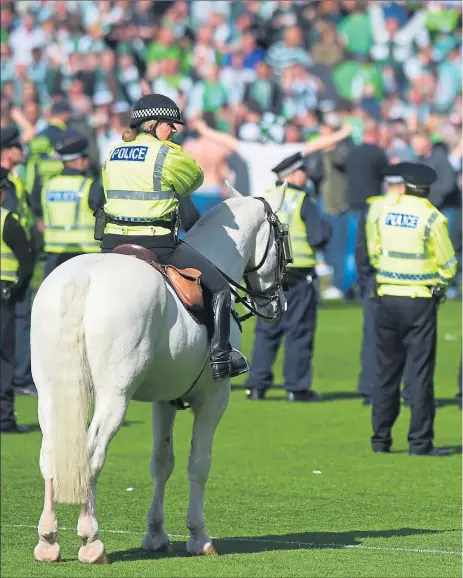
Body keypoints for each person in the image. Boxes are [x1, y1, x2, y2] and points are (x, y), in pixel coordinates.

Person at [98, 93, 246, 382]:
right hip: (157, 243)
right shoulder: (166, 153)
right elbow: (193, 180)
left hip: (112, 242)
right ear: (152, 123)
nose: (174, 130)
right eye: (170, 124)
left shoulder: (113, 151)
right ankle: (220, 358)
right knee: (220, 289)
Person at [367, 162, 457, 456]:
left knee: (385, 372)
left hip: (387, 297)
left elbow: (375, 251)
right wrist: (441, 283)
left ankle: (380, 439)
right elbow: (448, 264)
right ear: (427, 189)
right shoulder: (432, 217)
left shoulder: (385, 211)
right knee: (418, 374)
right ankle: (420, 442)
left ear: (404, 185)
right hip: (419, 300)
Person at [245, 152, 331, 402]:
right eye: (303, 172)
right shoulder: (303, 199)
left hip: (266, 277)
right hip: (298, 276)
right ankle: (296, 387)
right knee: (299, 332)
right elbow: (318, 236)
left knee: (266, 331)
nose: (307, 177)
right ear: (293, 174)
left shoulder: (264, 198)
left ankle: (256, 386)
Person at [355, 163, 412, 406]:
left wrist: (366, 279)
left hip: (377, 281)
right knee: (411, 340)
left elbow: (361, 248)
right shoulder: (414, 208)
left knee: (374, 338)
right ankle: (411, 393)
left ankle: (371, 390)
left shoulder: (373, 207)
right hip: (410, 283)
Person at [37, 129, 104, 278]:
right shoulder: (89, 186)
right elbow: (104, 219)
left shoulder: (48, 185)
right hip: (84, 257)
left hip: (54, 258)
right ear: (79, 160)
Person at [0, 127, 36, 396]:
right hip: (11, 264)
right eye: (18, 147)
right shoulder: (6, 183)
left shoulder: (13, 179)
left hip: (16, 259)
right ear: (8, 151)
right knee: (18, 324)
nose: (23, 152)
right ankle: (20, 379)